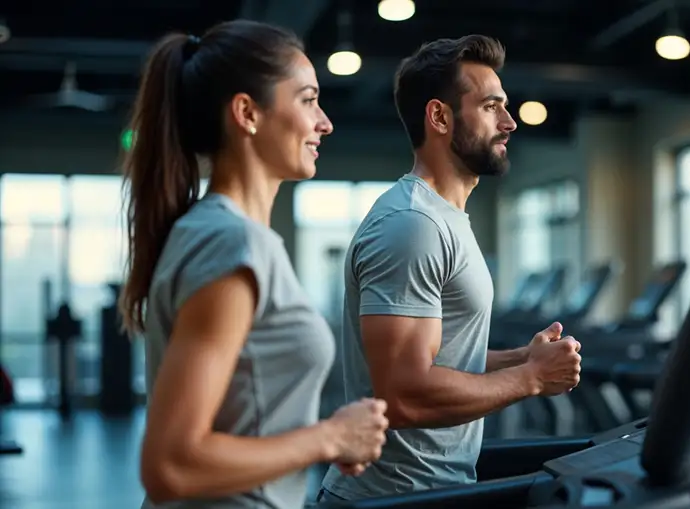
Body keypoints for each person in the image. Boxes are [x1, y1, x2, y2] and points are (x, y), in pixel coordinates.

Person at [118, 20, 389, 509]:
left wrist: (314, 436)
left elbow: (241, 416)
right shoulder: (231, 242)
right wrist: (329, 438)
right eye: (307, 100)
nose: (324, 122)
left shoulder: (228, 236)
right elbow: (170, 465)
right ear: (247, 113)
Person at [319, 34, 582, 502]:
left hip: (431, 489)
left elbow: (442, 360)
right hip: (394, 498)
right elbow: (403, 394)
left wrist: (522, 358)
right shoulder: (413, 225)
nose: (509, 121)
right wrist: (532, 379)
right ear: (440, 116)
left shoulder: (444, 217)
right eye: (491, 107)